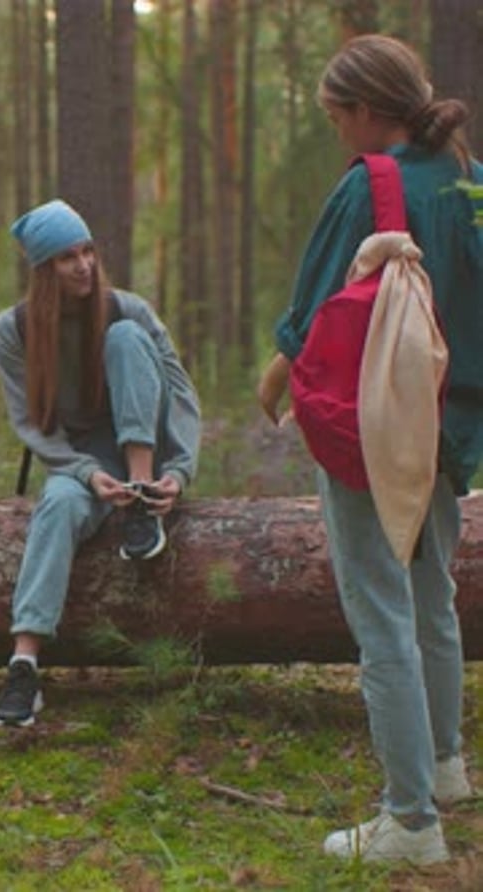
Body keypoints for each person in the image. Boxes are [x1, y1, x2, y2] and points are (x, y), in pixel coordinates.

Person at [258, 34, 482, 864]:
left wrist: (275, 378)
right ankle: (447, 766)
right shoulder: (471, 182)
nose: (334, 130)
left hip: (377, 427)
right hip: (452, 427)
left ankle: (411, 823)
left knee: (380, 609)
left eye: (334, 114)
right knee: (430, 599)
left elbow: (318, 306)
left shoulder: (371, 186)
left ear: (364, 109)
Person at [0, 199, 201, 728]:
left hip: (144, 448)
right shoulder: (12, 331)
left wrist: (176, 473)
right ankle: (24, 663)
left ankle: (141, 505)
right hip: (83, 456)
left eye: (87, 251)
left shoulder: (127, 310)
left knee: (127, 341)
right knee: (57, 505)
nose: (83, 265)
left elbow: (180, 395)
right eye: (66, 257)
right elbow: (32, 425)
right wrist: (84, 473)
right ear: (43, 270)